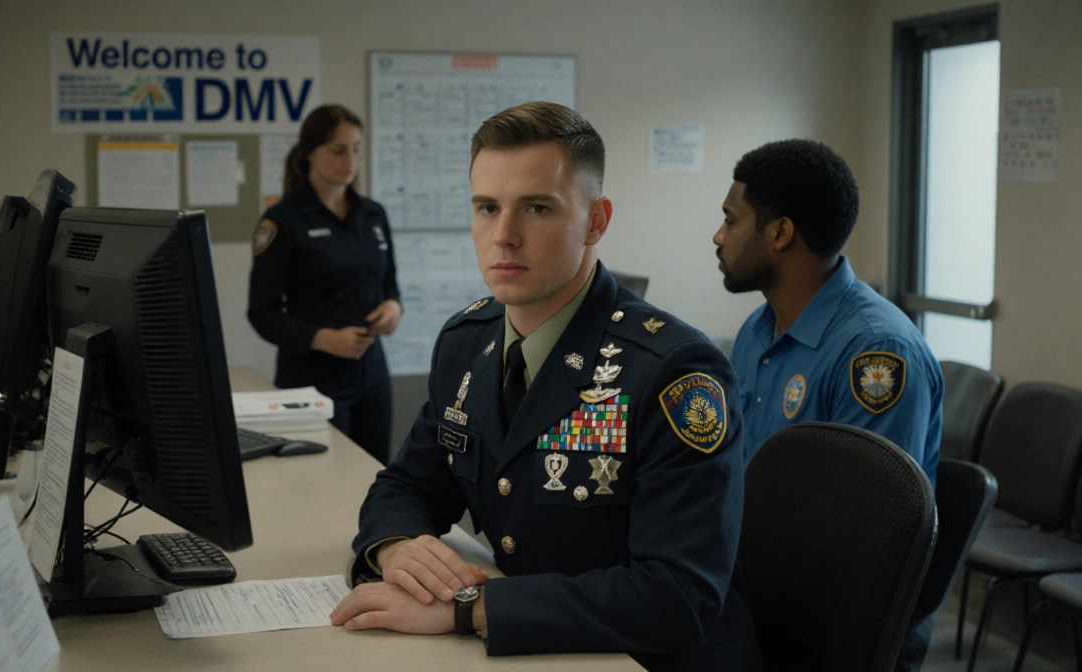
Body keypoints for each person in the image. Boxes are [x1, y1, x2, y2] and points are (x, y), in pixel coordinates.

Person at [328, 102, 761, 671]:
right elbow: (408, 483)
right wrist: (397, 548)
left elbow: (677, 597)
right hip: (536, 653)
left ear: (596, 220)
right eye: (487, 208)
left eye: (536, 208)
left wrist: (471, 606)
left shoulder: (673, 373)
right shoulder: (466, 343)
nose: (503, 236)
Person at [714, 138, 943, 671]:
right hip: (759, 583)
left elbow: (866, 537)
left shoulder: (876, 353)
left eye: (731, 219)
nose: (719, 236)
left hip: (832, 617)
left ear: (780, 233)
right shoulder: (760, 328)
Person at [248, 104, 401, 464]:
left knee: (377, 477)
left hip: (372, 374)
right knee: (323, 485)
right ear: (309, 154)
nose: (350, 159)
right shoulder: (282, 221)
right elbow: (262, 313)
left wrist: (393, 308)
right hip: (312, 378)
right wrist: (323, 339)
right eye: (338, 150)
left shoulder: (373, 214)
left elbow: (391, 285)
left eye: (357, 149)